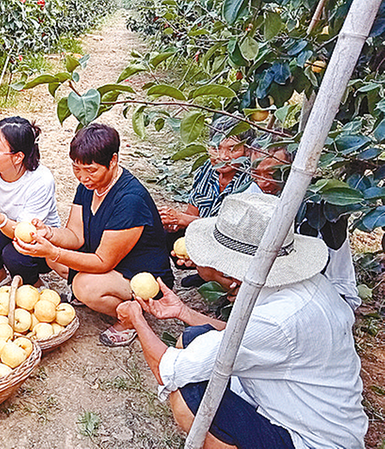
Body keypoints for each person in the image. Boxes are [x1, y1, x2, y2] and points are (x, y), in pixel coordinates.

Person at [115, 192, 367, 448]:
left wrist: (137, 319)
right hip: (312, 417)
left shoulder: (276, 319)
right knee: (193, 337)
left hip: (309, 440)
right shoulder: (305, 286)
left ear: (231, 273)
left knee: (187, 393)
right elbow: (240, 337)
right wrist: (183, 312)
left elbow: (169, 370)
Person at [13, 123, 173, 347]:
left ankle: (130, 316)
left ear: (113, 161)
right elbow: (75, 235)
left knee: (83, 285)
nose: (82, 177)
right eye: (77, 169)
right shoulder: (88, 186)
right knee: (54, 259)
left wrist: (55, 251)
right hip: (107, 263)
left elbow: (102, 261)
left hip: (140, 274)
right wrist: (48, 233)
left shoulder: (130, 200)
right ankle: (103, 295)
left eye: (91, 170)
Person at [245, 146, 361, 309]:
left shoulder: (320, 210)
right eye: (256, 173)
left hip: (322, 294)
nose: (262, 182)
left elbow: (334, 277)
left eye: (272, 174)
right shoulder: (254, 194)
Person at [0, 116, 61, 295]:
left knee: (14, 254)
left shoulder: (40, 181)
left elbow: (25, 234)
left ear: (18, 157)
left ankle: (33, 283)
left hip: (38, 240)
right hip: (7, 229)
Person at [158, 115, 255, 287]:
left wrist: (182, 219)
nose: (222, 156)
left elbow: (231, 231)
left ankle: (220, 281)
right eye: (216, 147)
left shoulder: (249, 181)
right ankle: (203, 273)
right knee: (165, 234)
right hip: (206, 236)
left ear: (247, 152)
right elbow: (191, 214)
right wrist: (175, 223)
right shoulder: (207, 170)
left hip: (232, 245)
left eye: (232, 149)